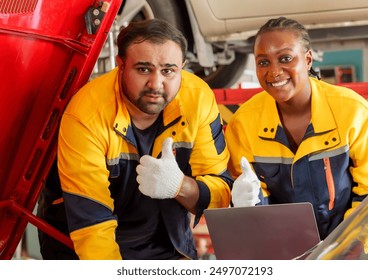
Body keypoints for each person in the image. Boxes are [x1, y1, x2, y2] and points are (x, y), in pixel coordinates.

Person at [37, 18, 232, 260]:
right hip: (80, 249)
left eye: (168, 71)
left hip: (164, 246)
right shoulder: (86, 114)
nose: (156, 83)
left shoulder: (198, 99)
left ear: (182, 67)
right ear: (121, 66)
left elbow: (220, 195)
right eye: (143, 69)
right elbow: (92, 225)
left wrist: (180, 187)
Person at [225, 16, 368, 240]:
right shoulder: (243, 123)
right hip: (282, 249)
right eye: (263, 62)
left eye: (285, 58)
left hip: (349, 245)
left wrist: (345, 249)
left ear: (308, 59)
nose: (274, 72)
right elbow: (252, 199)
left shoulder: (353, 111)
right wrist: (248, 203)